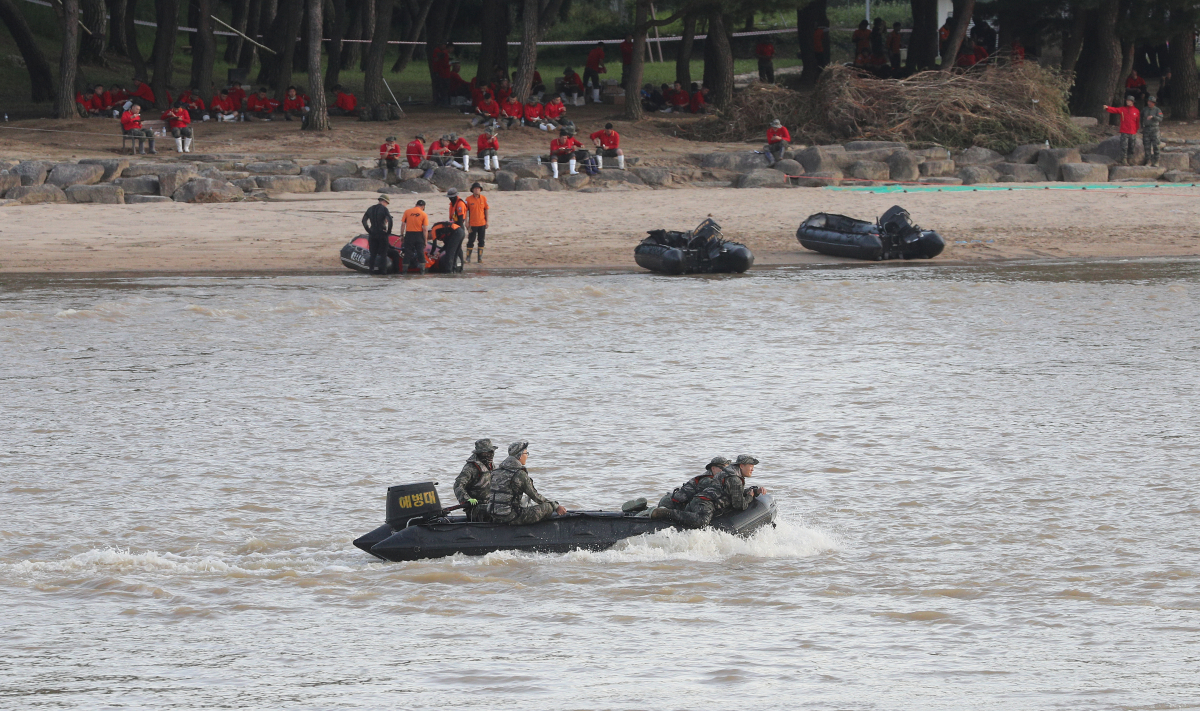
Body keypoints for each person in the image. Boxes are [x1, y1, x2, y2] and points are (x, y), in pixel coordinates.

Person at [653, 455, 765, 528]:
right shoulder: (733, 479)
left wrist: (755, 491)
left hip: (699, 502)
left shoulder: (730, 475)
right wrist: (750, 496)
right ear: (741, 466)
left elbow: (734, 493)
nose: (752, 469)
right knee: (702, 521)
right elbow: (739, 505)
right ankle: (665, 513)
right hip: (701, 503)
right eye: (751, 466)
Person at [482, 441, 566, 525]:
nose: (527, 456)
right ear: (520, 456)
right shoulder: (519, 474)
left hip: (494, 515)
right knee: (548, 507)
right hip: (510, 517)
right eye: (526, 453)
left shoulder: (496, 471)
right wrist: (555, 506)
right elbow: (535, 496)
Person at [655, 456, 730, 512]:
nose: (725, 471)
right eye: (722, 468)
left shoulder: (716, 478)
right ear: (713, 468)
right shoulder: (706, 480)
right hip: (671, 503)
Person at [454, 439, 497, 521]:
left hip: (490, 505)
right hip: (476, 508)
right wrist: (466, 499)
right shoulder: (471, 468)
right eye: (486, 452)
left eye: (491, 452)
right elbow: (458, 485)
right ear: (479, 453)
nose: (490, 455)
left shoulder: (491, 465)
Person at [362, 194, 394, 275]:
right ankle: (383, 272)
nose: (386, 205)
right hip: (382, 233)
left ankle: (371, 271)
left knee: (373, 254)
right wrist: (388, 231)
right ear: (384, 201)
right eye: (387, 203)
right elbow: (390, 220)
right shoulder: (384, 209)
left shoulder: (370, 208)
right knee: (383, 254)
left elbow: (364, 221)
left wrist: (368, 230)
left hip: (372, 233)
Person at [1105, 95, 1141, 165]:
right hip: (1124, 131)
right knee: (1124, 146)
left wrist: (1136, 130)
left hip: (1132, 132)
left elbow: (1137, 121)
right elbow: (1115, 110)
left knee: (1132, 146)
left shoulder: (1136, 111)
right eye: (1127, 100)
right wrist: (1107, 108)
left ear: (1132, 102)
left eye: (1129, 101)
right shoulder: (1123, 109)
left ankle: (1130, 159)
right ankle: (1124, 160)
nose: (1127, 102)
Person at [399, 199, 431, 274]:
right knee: (420, 253)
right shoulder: (423, 214)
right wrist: (425, 240)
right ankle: (422, 272)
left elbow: (403, 224)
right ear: (423, 207)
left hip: (409, 234)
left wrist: (401, 235)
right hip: (418, 235)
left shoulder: (407, 212)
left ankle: (404, 272)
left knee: (407, 253)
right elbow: (425, 229)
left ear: (416, 205)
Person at [465, 182, 489, 263]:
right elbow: (466, 211)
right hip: (472, 224)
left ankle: (480, 258)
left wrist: (487, 221)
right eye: (475, 189)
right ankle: (468, 258)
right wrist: (466, 222)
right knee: (471, 240)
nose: (477, 190)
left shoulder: (484, 198)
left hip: (482, 223)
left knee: (481, 240)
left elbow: (486, 210)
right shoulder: (468, 199)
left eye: (478, 189)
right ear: (472, 190)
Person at [1142, 95, 1163, 166]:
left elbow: (1160, 118)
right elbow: (1141, 117)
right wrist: (1142, 126)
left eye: (1151, 102)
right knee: (1146, 146)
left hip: (1154, 129)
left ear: (1154, 103)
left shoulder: (1157, 110)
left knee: (1156, 145)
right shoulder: (1144, 109)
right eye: (1149, 101)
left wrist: (1153, 117)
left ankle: (1156, 161)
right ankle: (1148, 160)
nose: (1149, 103)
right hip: (1146, 129)